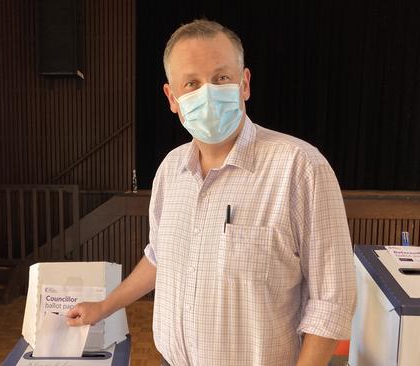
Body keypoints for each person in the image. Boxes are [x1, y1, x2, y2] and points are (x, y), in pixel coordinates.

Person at [67, 19, 356, 366]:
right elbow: (160, 257)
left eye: (221, 78)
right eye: (191, 83)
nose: (207, 93)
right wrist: (103, 307)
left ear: (244, 84)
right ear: (172, 98)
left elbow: (332, 299)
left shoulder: (300, 168)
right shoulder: (170, 170)